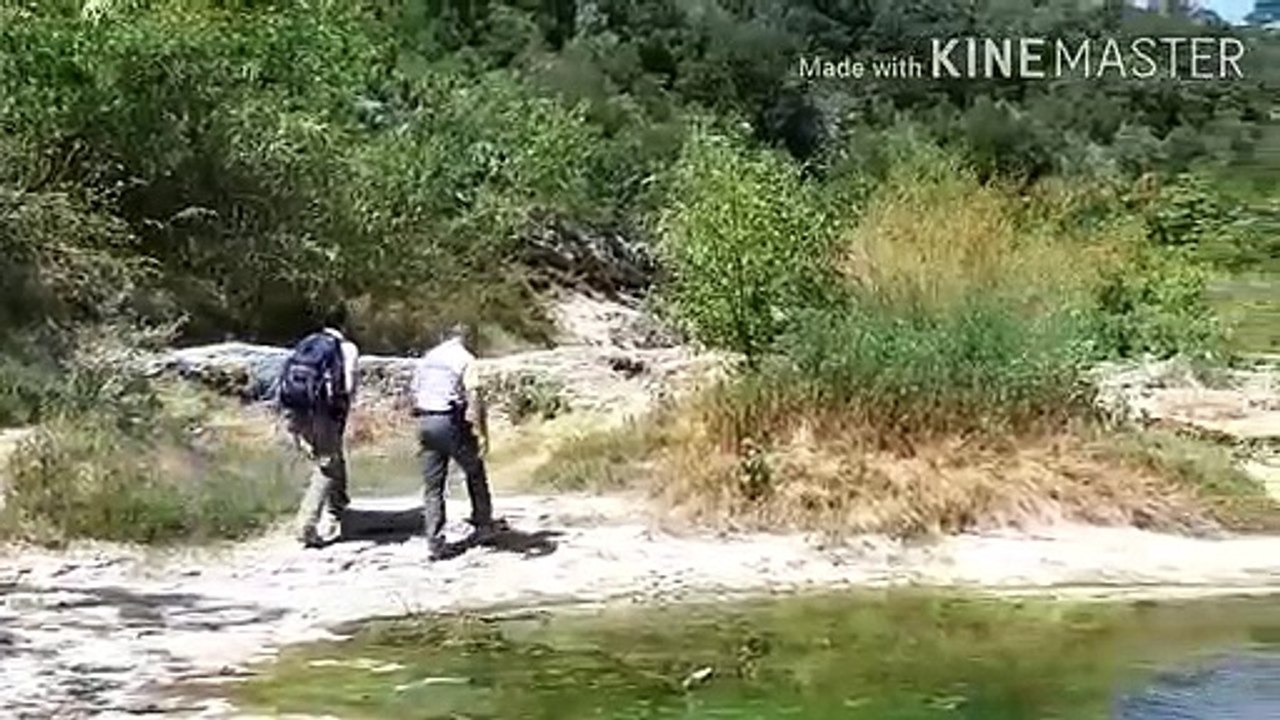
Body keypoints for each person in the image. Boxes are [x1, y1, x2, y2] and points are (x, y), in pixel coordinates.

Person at [411, 322, 499, 559]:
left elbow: (415, 391)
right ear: (466, 337)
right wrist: (482, 432)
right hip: (449, 420)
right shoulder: (465, 358)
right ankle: (483, 525)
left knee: (433, 486)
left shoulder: (430, 357)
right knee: (474, 469)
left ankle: (435, 540)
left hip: (425, 420)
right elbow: (475, 396)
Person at [277, 310, 360, 548]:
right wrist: (342, 409)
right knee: (327, 465)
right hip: (324, 413)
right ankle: (307, 523)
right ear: (344, 325)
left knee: (326, 457)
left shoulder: (308, 343)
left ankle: (338, 505)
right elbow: (348, 384)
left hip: (296, 407)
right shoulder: (346, 348)